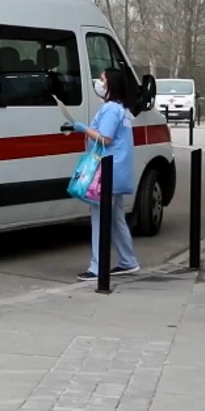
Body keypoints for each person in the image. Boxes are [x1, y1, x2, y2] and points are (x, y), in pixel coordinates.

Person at [70, 68, 139, 281]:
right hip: (118, 170)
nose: (99, 83)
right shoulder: (123, 110)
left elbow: (105, 138)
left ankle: (97, 267)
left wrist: (82, 128)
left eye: (102, 79)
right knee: (116, 218)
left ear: (111, 84)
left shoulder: (110, 109)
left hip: (107, 171)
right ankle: (128, 261)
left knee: (100, 218)